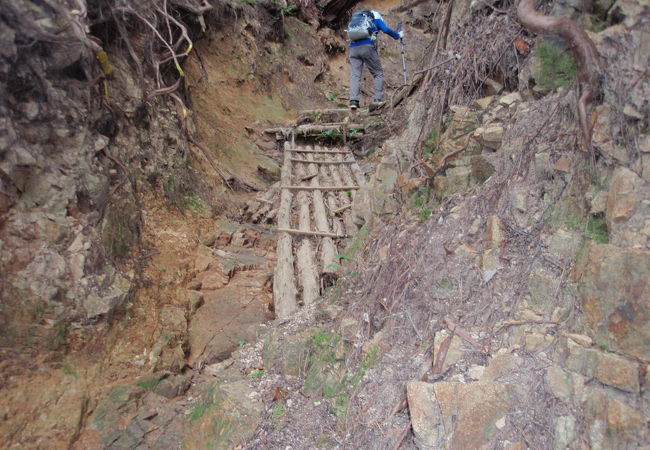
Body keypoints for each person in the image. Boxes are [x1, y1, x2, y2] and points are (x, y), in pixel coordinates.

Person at [348, 10, 403, 110]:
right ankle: (378, 99)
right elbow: (385, 29)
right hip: (367, 47)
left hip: (353, 48)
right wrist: (397, 35)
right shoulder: (375, 19)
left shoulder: (357, 20)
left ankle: (353, 101)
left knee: (355, 75)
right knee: (378, 73)